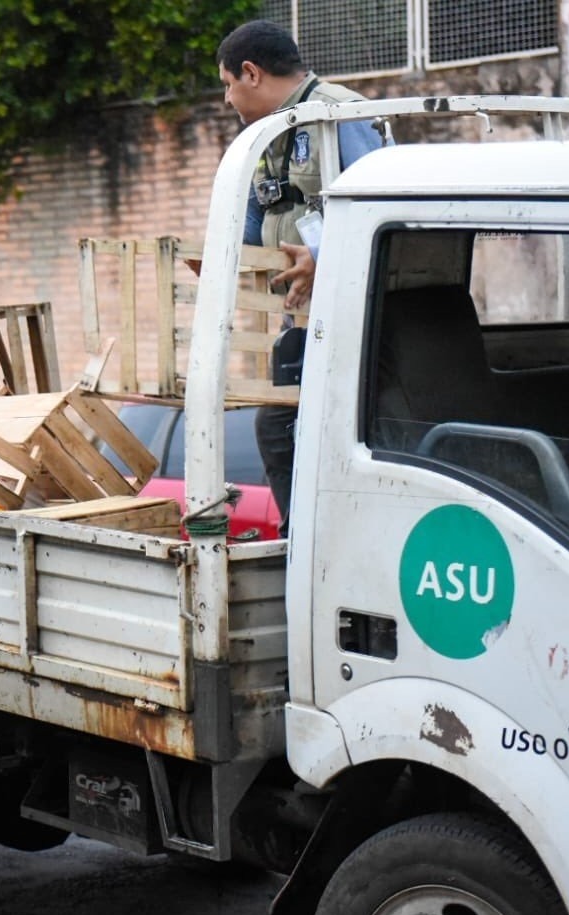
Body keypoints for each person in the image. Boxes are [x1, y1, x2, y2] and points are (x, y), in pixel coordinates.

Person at [217, 20, 383, 534]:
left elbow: (383, 204)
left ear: (251, 73)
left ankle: (305, 543)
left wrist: (322, 253)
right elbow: (252, 214)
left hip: (359, 317)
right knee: (282, 423)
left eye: (226, 84)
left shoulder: (339, 114)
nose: (226, 100)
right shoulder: (268, 133)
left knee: (280, 423)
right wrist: (221, 258)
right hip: (304, 318)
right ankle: (305, 538)